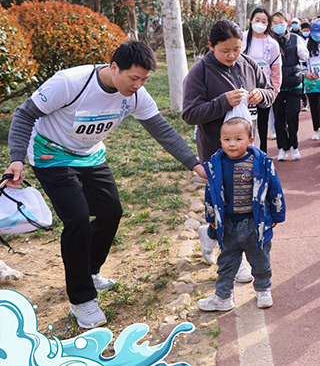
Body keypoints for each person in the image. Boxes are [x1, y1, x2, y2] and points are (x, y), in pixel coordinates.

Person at [2, 41, 206, 329]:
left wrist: (194, 164)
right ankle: (82, 299)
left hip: (89, 155)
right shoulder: (70, 83)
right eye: (133, 78)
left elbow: (162, 130)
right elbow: (25, 114)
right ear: (113, 67)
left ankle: (89, 271)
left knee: (111, 212)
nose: (138, 85)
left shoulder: (136, 96)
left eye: (144, 80)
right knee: (77, 220)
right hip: (51, 155)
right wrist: (16, 158)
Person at [182, 20, 276, 277]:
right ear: (211, 46)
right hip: (217, 152)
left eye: (237, 49)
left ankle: (211, 234)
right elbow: (190, 114)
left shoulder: (248, 64)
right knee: (227, 206)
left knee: (246, 204)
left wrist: (261, 95)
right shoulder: (200, 72)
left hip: (249, 151)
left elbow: (270, 92)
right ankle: (236, 261)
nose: (232, 55)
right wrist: (222, 102)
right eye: (226, 50)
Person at [197, 115, 285, 312]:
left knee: (260, 260)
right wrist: (211, 218)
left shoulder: (261, 163)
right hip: (228, 224)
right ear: (220, 141)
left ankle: (263, 290)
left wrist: (277, 214)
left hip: (255, 224)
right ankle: (222, 297)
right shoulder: (216, 165)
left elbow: (275, 189)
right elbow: (210, 193)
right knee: (227, 263)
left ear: (250, 140)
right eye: (226, 139)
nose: (232, 144)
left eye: (238, 139)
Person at [242, 7, 282, 153]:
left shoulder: (272, 44)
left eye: (264, 21)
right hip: (243, 92)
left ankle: (261, 157)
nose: (260, 23)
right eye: (257, 20)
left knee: (262, 127)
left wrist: (274, 93)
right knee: (244, 127)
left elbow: (276, 71)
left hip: (263, 92)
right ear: (251, 20)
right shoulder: (242, 39)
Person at [271, 11, 309, 161]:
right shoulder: (270, 41)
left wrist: (299, 51)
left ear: (286, 24)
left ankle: (294, 145)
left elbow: (305, 56)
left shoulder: (295, 38)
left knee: (292, 116)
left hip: (294, 84)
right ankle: (282, 148)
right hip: (277, 86)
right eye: (274, 23)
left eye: (280, 23)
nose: (278, 26)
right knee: (279, 118)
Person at [298, 22, 312, 112]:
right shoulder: (299, 39)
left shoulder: (312, 39)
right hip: (302, 65)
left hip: (310, 65)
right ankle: (304, 102)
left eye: (307, 30)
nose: (306, 32)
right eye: (304, 30)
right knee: (302, 85)